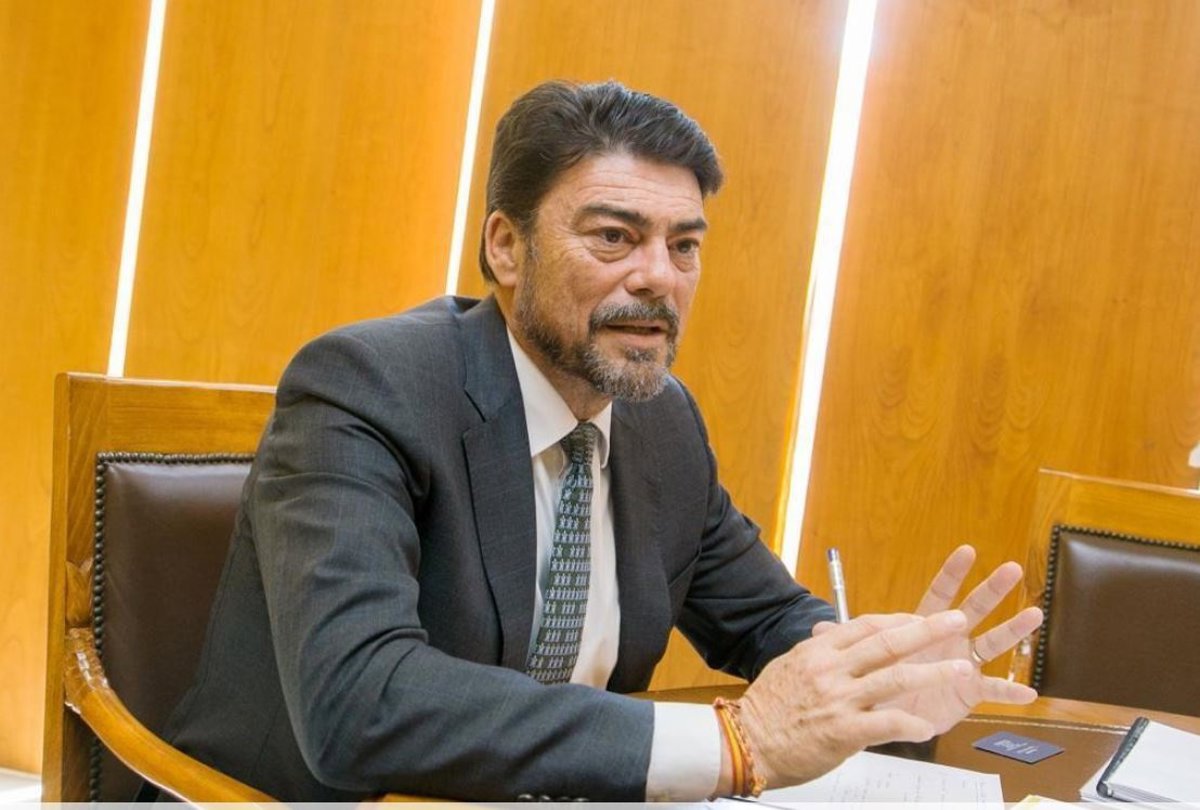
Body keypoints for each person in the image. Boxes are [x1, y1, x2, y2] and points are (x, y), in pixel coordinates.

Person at [164, 80, 1043, 802]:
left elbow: (766, 619)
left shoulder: (662, 423)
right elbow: (360, 702)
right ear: (507, 248)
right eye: (615, 236)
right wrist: (735, 741)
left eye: (684, 246)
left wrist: (883, 674)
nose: (658, 277)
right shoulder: (369, 386)